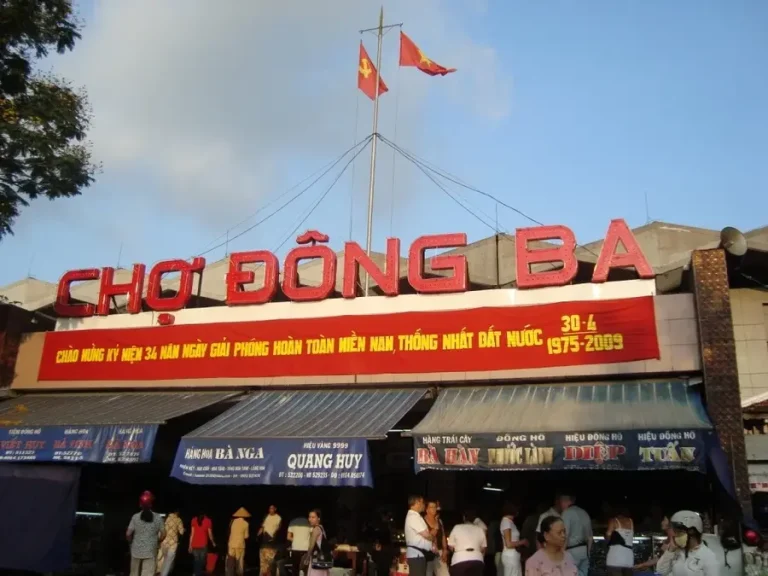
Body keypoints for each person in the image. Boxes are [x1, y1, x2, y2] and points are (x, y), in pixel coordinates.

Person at [656, 511, 719, 576]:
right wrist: (670, 550)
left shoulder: (707, 556)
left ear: (691, 532)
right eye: (675, 532)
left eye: (679, 532)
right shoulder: (676, 552)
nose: (675, 535)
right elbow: (660, 572)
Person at [126, 491, 166, 576]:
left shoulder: (135, 517)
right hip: (151, 551)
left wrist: (131, 544)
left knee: (134, 574)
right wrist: (158, 541)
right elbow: (163, 534)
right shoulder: (158, 517)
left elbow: (128, 534)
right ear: (151, 504)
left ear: (140, 504)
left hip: (135, 551)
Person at [559, 494, 592, 576]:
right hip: (584, 551)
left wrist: (561, 553)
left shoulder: (566, 513)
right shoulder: (584, 512)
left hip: (571, 552)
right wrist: (588, 553)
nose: (561, 505)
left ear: (565, 502)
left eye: (561, 503)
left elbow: (565, 535)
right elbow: (590, 537)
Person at [447, 510, 488, 576]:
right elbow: (483, 548)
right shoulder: (479, 529)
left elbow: (450, 546)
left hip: (460, 560)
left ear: (464, 518)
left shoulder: (457, 527)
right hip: (477, 559)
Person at [405, 495, 435, 576]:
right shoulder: (413, 517)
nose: (424, 505)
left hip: (418, 555)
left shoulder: (415, 516)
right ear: (417, 502)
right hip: (416, 555)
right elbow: (427, 535)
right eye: (422, 502)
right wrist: (433, 536)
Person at [605, 506, 634, 576]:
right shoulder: (631, 521)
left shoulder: (613, 520)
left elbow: (608, 535)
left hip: (615, 558)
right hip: (629, 558)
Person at [500, 502, 528, 576]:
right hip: (510, 555)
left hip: (514, 555)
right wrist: (522, 542)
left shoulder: (509, 522)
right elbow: (508, 544)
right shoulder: (506, 522)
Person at [157, 506, 184, 576]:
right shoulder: (178, 520)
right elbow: (181, 532)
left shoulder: (166, 518)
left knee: (165, 560)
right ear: (177, 512)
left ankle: (161, 573)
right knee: (168, 562)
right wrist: (183, 529)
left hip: (164, 542)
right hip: (173, 544)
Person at [426, 501, 449, 576]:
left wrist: (445, 549)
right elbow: (430, 535)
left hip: (439, 551)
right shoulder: (422, 521)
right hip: (428, 552)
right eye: (431, 507)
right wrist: (436, 521)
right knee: (428, 573)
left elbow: (443, 535)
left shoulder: (439, 521)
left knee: (444, 574)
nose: (434, 509)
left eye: (435, 507)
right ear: (427, 509)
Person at [259, 504, 283, 576]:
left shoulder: (278, 518)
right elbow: (263, 527)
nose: (270, 510)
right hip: (264, 542)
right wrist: (258, 534)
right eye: (269, 508)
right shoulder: (266, 516)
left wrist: (273, 537)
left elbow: (278, 529)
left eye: (272, 508)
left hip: (272, 543)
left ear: (275, 509)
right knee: (263, 564)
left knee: (270, 564)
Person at [190, 511, 216, 576]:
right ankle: (198, 573)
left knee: (196, 560)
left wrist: (189, 545)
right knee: (202, 561)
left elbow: (192, 534)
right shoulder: (208, 521)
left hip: (194, 544)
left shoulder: (193, 520)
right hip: (203, 544)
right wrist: (213, 542)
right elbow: (210, 534)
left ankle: (195, 573)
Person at [307, 509, 331, 576]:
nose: (310, 519)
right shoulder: (321, 528)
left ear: (319, 518)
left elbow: (311, 545)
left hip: (317, 559)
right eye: (309, 517)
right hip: (322, 559)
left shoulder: (316, 529)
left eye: (313, 517)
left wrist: (307, 557)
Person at [227, 507, 251, 576]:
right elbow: (246, 536)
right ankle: (239, 574)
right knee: (239, 562)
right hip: (240, 545)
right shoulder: (246, 523)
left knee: (230, 563)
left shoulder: (232, 521)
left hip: (231, 544)